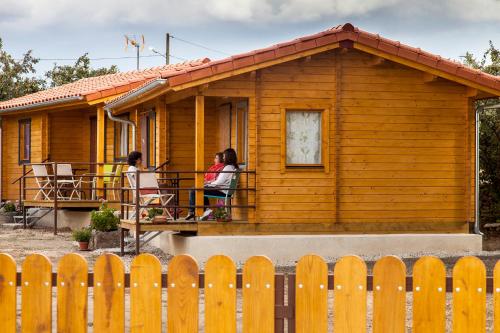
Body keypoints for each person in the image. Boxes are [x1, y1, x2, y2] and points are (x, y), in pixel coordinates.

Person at [186, 148, 239, 220]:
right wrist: (209, 183)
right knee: (199, 189)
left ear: (228, 157)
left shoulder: (228, 168)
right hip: (224, 190)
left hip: (222, 191)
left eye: (224, 156)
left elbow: (219, 182)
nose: (223, 158)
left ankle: (192, 212)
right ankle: (206, 210)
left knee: (194, 190)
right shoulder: (232, 167)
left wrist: (209, 184)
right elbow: (220, 180)